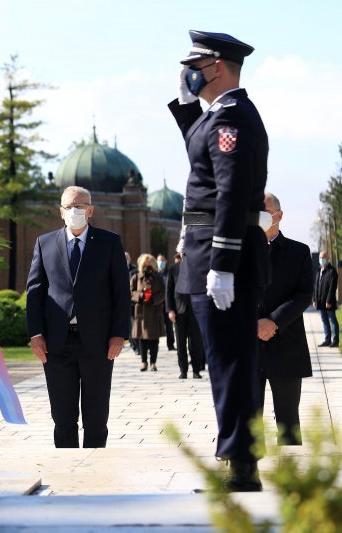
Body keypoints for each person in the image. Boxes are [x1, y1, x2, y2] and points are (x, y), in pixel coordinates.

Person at [168, 31, 270, 491]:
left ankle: (240, 465)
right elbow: (200, 146)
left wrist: (223, 264)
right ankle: (236, 459)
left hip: (221, 252)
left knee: (230, 363)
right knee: (227, 361)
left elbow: (229, 192)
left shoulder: (234, 119)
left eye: (197, 64)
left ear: (219, 67)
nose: (190, 71)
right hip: (210, 249)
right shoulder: (220, 117)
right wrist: (184, 103)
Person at [26, 186, 130, 448]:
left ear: (91, 210)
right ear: (61, 212)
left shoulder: (109, 243)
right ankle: (66, 474)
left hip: (97, 343)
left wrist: (119, 334)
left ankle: (95, 472)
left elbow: (121, 292)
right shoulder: (44, 243)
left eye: (80, 206)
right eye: (69, 207)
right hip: (57, 344)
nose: (75, 211)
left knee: (96, 417)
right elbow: (35, 292)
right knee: (63, 418)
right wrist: (35, 334)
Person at [257, 193, 312, 445]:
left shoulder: (298, 252)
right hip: (249, 347)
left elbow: (303, 295)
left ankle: (292, 480)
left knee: (288, 424)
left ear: (278, 216)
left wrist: (274, 321)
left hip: (286, 346)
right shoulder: (238, 253)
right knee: (248, 422)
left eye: (264, 211)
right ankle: (244, 476)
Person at [166, 253, 204, 379]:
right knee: (180, 342)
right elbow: (169, 291)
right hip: (179, 311)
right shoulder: (173, 269)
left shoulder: (199, 266)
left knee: (196, 342)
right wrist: (170, 310)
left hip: (195, 311)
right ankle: (183, 370)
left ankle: (196, 370)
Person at [131, 254, 166, 372]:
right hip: (141, 312)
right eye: (145, 265)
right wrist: (139, 296)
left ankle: (153, 362)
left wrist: (154, 299)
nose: (147, 266)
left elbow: (162, 293)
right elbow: (130, 292)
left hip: (154, 311)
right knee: (142, 339)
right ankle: (144, 362)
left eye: (149, 264)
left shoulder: (158, 278)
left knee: (154, 339)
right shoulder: (136, 277)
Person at [313, 250, 338, 347]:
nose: (321, 259)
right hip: (320, 302)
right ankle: (327, 340)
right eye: (320, 257)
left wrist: (329, 300)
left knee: (332, 321)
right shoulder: (319, 271)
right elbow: (316, 286)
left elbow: (332, 288)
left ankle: (335, 341)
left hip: (329, 303)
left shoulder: (332, 271)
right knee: (325, 321)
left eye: (323, 257)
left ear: (328, 259)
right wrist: (314, 300)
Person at [157, 254, 176, 351]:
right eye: (158, 261)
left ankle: (170, 344)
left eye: (162, 260)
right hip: (157, 304)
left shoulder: (169, 272)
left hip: (167, 303)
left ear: (166, 261)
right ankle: (153, 346)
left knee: (169, 325)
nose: (160, 263)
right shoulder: (156, 273)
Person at [125, 252, 140, 356]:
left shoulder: (134, 270)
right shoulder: (114, 266)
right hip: (122, 300)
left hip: (132, 301)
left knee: (134, 323)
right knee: (129, 325)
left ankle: (136, 346)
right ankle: (132, 343)